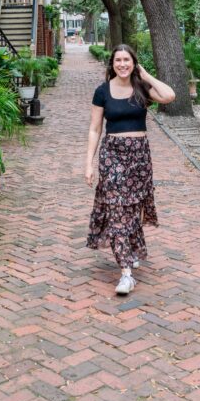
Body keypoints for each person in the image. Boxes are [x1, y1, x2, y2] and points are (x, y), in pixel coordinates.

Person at [85, 44, 175, 295]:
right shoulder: (102, 92)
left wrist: (146, 76)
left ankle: (133, 249)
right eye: (118, 60)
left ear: (134, 63)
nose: (122, 64)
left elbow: (169, 96)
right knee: (116, 210)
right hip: (112, 155)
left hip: (139, 156)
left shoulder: (142, 88)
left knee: (133, 208)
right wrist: (88, 163)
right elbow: (95, 129)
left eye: (127, 60)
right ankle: (126, 273)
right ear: (112, 64)